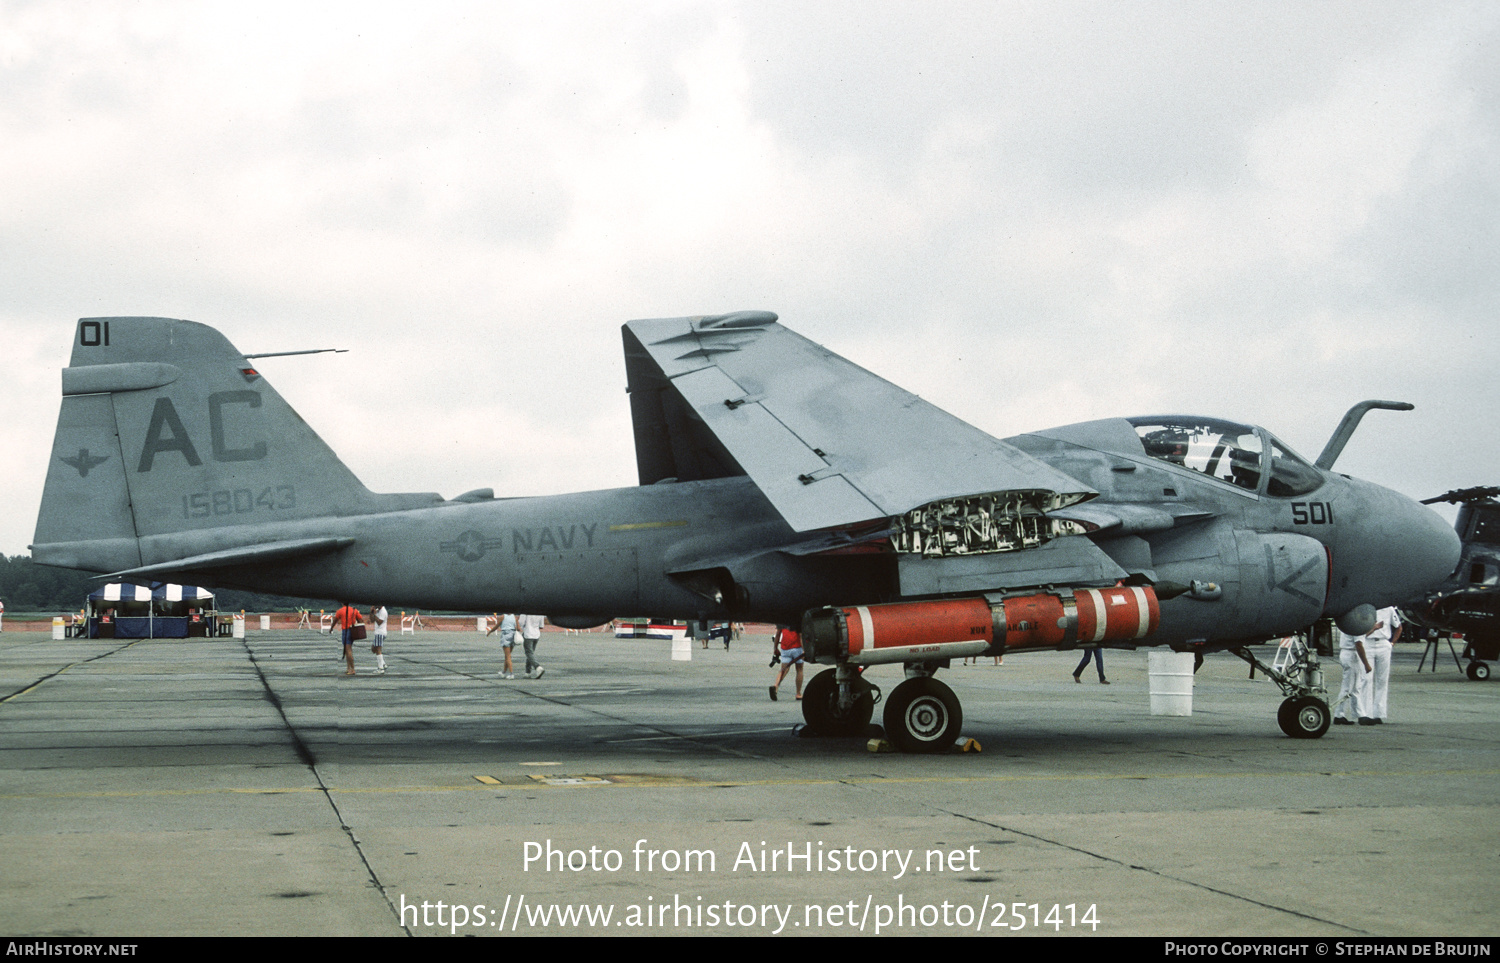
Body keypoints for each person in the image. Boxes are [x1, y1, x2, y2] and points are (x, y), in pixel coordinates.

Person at [1362, 606, 1401, 725]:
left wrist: (1392, 643)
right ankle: (1366, 713)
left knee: (1382, 680)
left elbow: (1398, 627)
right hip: (1368, 642)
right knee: (1367, 679)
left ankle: (1379, 713)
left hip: (1384, 643)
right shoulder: (1367, 608)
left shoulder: (1389, 609)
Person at [769, 625, 804, 701]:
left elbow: (778, 634)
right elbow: (801, 635)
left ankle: (776, 686)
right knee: (799, 670)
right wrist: (804, 649)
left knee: (784, 669)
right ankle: (798, 693)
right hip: (797, 647)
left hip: (785, 648)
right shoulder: (797, 619)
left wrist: (775, 648)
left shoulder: (782, 620)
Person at [333, 601, 363, 676]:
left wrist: (331, 628)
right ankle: (348, 668)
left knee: (348, 650)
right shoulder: (354, 610)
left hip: (345, 630)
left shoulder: (340, 611)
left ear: (342, 603)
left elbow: (335, 620)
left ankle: (352, 669)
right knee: (347, 650)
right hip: (352, 630)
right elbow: (360, 620)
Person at [517, 614, 546, 679]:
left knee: (528, 653)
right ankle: (527, 672)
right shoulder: (539, 611)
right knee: (531, 654)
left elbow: (521, 622)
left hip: (528, 634)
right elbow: (541, 626)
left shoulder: (525, 611)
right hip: (536, 634)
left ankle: (537, 667)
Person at [494, 613, 517, 679]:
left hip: (505, 635)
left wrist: (490, 632)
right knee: (508, 655)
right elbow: (518, 627)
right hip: (512, 635)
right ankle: (504, 672)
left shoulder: (502, 617)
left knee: (508, 656)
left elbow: (496, 626)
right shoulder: (514, 617)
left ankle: (511, 673)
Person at [369, 604, 388, 674]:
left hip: (380, 632)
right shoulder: (378, 611)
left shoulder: (383, 611)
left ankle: (380, 668)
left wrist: (374, 615)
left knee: (378, 649)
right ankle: (383, 663)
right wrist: (371, 613)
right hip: (378, 633)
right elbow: (371, 620)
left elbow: (379, 622)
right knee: (373, 648)